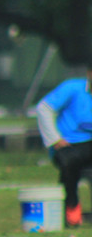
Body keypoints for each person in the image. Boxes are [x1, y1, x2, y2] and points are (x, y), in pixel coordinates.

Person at [35, 67, 92, 227]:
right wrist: (54, 139)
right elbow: (44, 108)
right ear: (89, 74)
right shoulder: (73, 88)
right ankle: (72, 206)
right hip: (68, 145)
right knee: (70, 162)